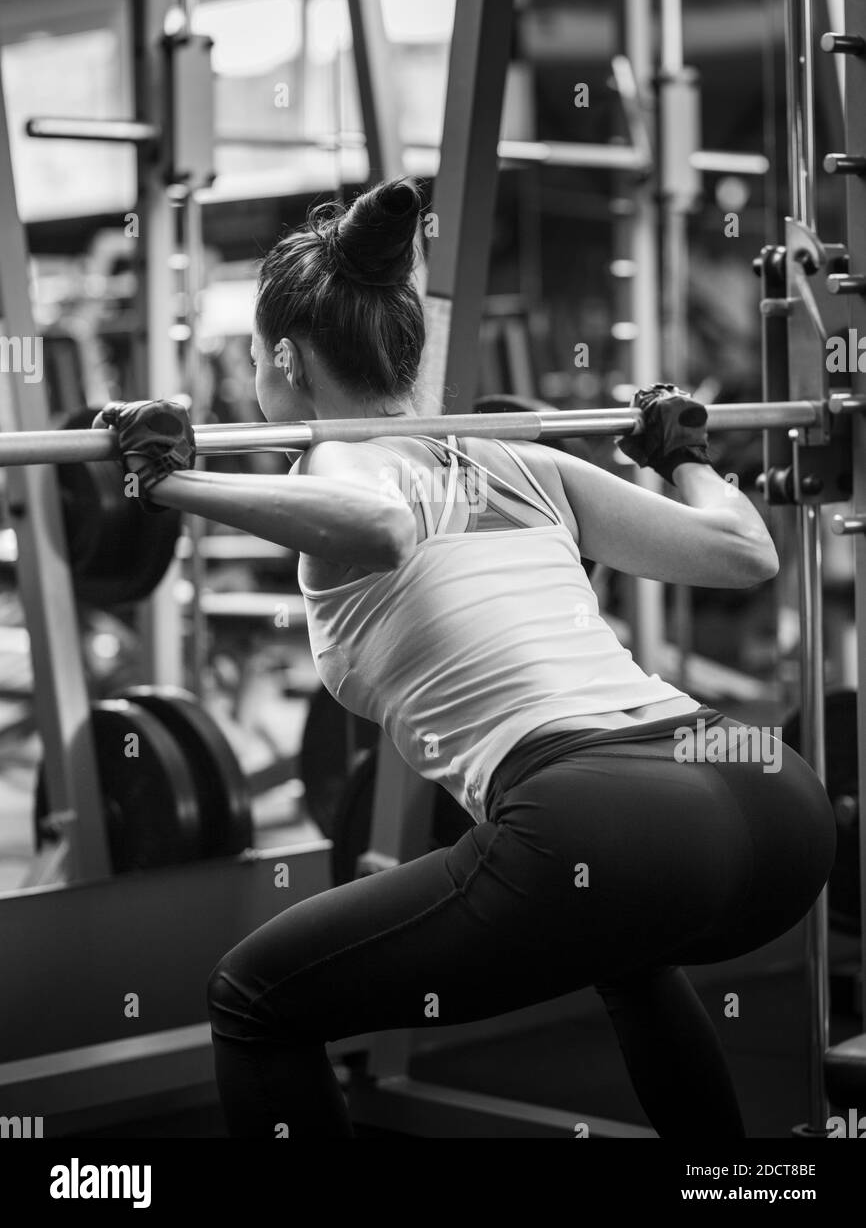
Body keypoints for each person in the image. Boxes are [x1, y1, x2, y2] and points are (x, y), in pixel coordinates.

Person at [97, 177, 836, 1139]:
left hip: (605, 815)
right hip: (764, 794)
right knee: (626, 946)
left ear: (284, 356)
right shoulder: (523, 458)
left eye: (252, 356)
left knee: (252, 998)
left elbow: (382, 521)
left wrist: (169, 484)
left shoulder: (341, 457)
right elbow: (742, 550)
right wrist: (683, 451)